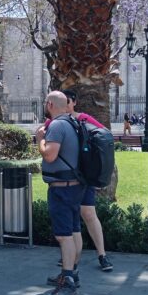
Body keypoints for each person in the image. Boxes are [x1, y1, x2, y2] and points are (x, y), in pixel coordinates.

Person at [52, 89, 114, 272]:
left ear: (74, 102)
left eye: (68, 101)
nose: (66, 105)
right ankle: (71, 261)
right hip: (67, 179)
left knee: (88, 213)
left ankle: (102, 254)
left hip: (83, 177)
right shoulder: (55, 123)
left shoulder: (84, 119)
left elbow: (104, 134)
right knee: (71, 221)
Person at [36, 91, 86, 295]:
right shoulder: (72, 123)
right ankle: (71, 274)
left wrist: (40, 139)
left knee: (64, 236)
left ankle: (67, 283)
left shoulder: (56, 126)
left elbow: (49, 154)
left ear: (49, 104)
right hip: (75, 187)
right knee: (74, 231)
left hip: (62, 189)